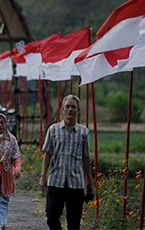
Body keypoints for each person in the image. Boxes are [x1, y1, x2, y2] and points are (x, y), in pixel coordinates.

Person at [39, 95, 93, 230]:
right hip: (56, 181)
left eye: (73, 107)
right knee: (51, 216)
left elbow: (86, 157)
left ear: (78, 110)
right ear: (63, 109)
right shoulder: (53, 130)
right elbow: (47, 154)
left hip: (76, 183)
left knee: (74, 222)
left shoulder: (84, 132)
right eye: (67, 106)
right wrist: (43, 177)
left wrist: (90, 181)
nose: (70, 109)